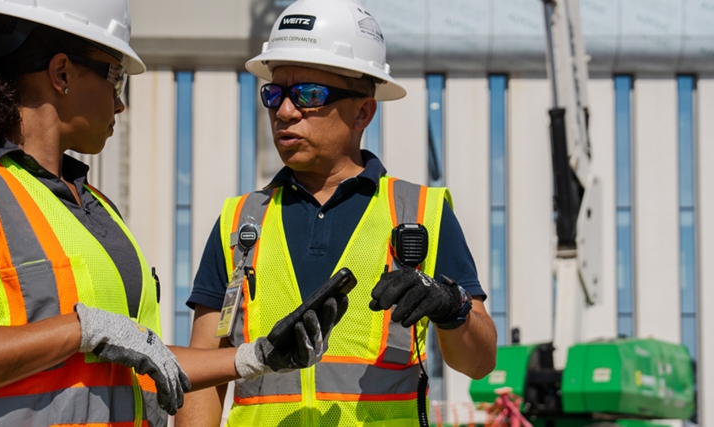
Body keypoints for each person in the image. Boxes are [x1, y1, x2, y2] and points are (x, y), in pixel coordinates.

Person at [0, 1, 347, 426]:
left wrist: (254, 358)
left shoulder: (95, 209)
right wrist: (81, 329)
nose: (120, 101)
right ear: (61, 73)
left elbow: (139, 357)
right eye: (113, 76)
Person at [179, 0, 498, 425]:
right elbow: (205, 371)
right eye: (274, 93)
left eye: (309, 94)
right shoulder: (240, 222)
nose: (285, 112)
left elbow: (479, 363)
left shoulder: (421, 215)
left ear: (363, 110)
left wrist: (452, 307)